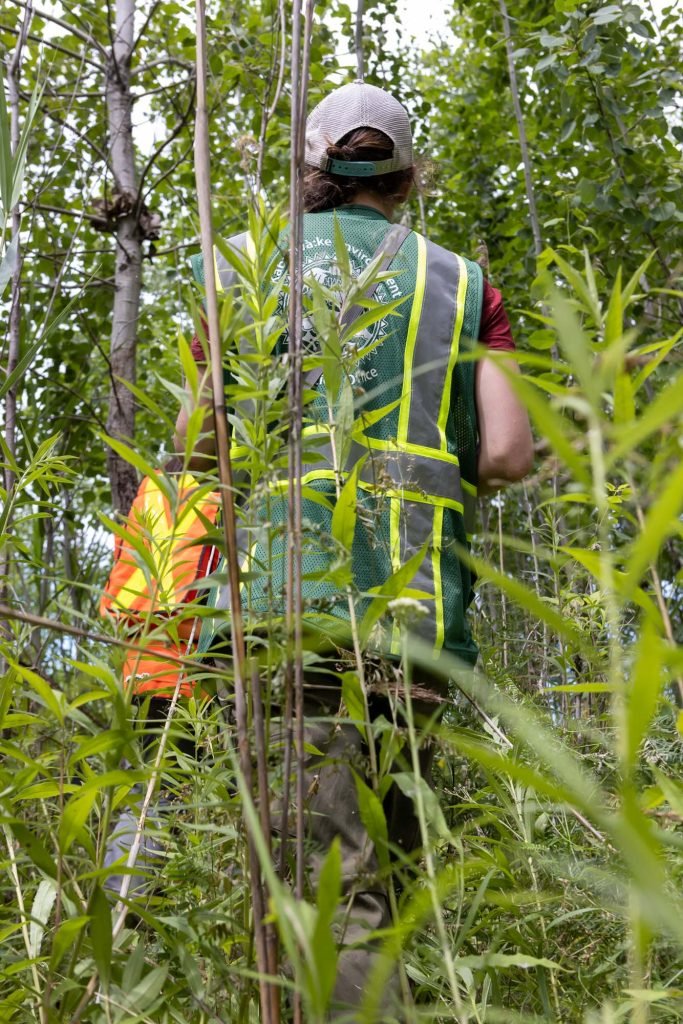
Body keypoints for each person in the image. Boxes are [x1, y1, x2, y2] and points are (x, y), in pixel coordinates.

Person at [175, 81, 533, 1020]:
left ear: (312, 164)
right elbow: (505, 451)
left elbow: (197, 444)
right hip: (416, 627)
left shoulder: (245, 264)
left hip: (292, 618)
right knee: (389, 888)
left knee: (322, 900)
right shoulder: (462, 283)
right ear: (408, 176)